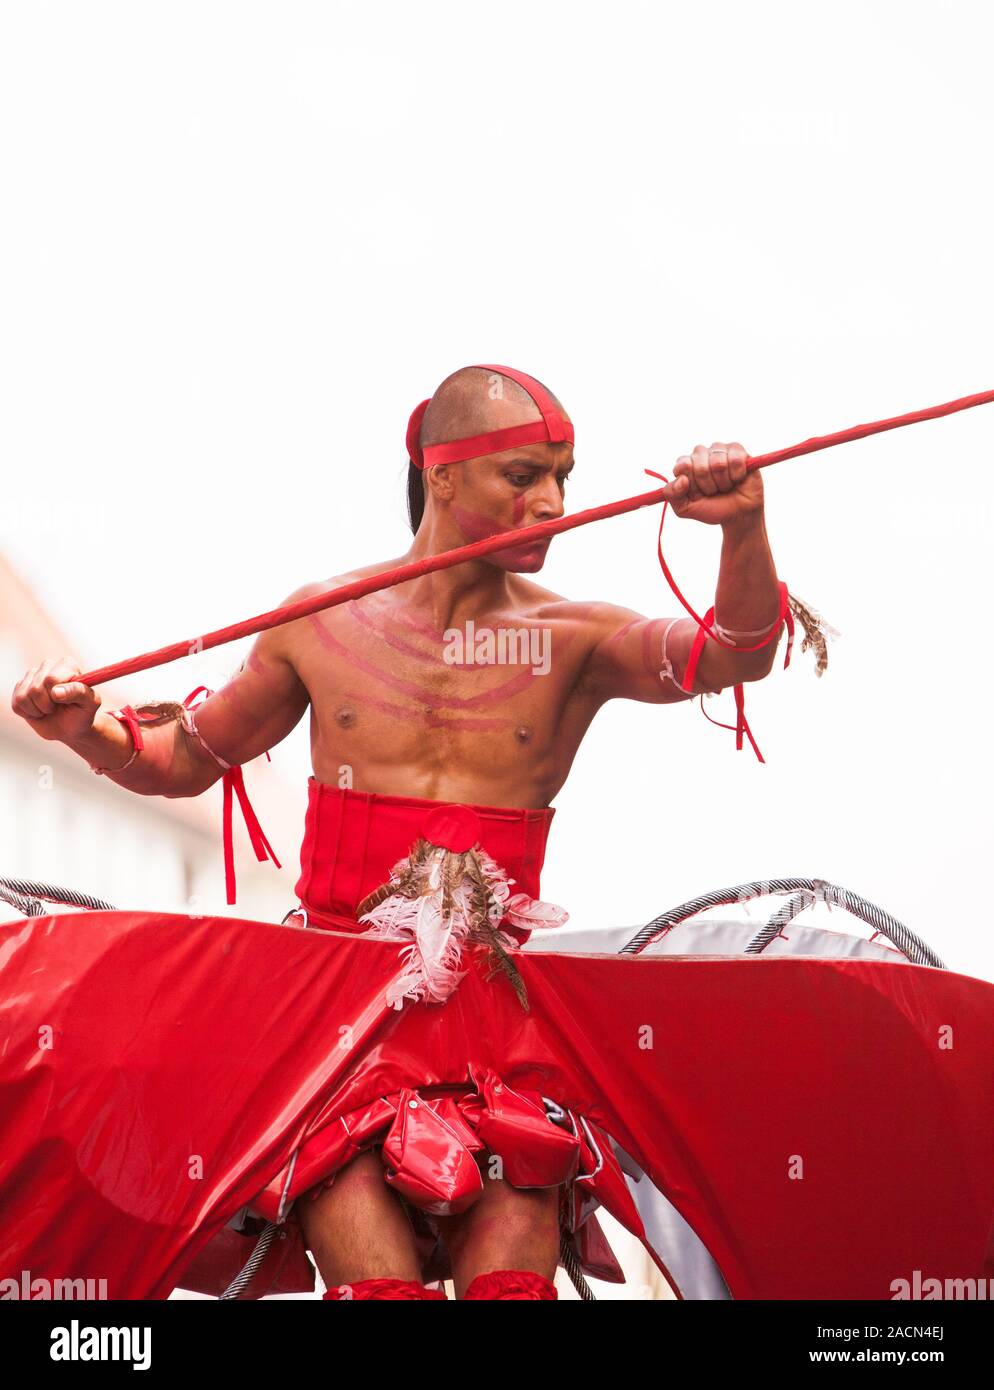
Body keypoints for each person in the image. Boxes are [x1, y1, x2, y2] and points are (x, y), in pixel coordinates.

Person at [10, 364, 786, 1300]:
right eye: (522, 475)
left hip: (500, 1036)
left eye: (563, 476)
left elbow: (732, 654)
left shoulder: (576, 636)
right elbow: (182, 759)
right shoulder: (323, 620)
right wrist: (77, 729)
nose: (551, 500)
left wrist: (742, 522)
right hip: (339, 1034)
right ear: (441, 475)